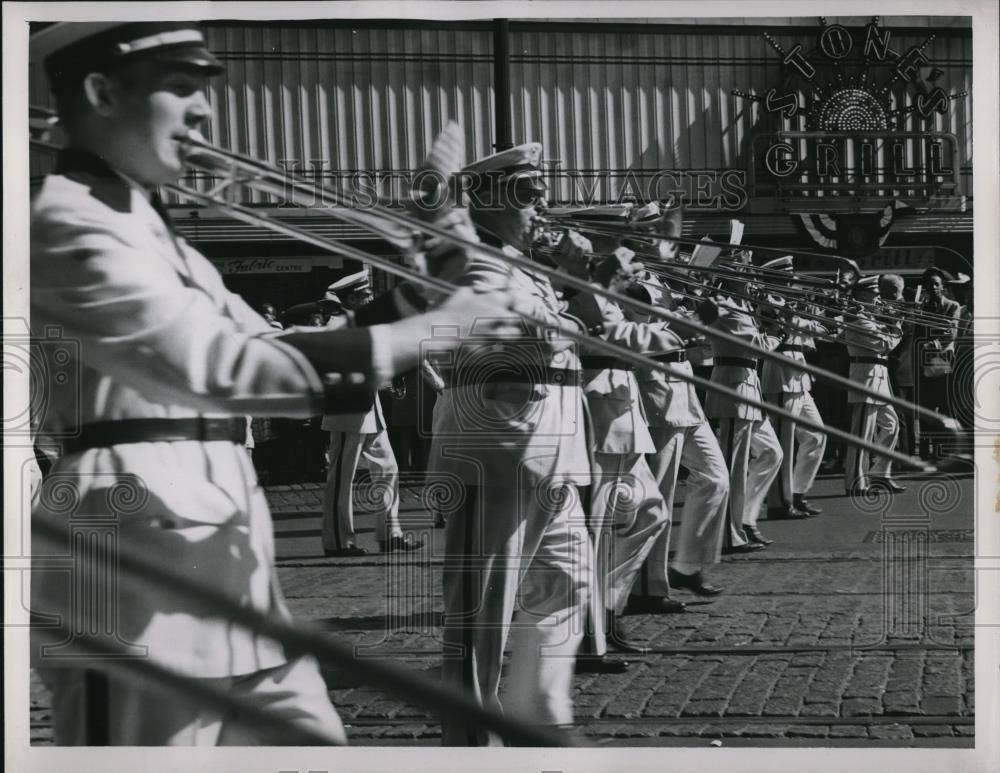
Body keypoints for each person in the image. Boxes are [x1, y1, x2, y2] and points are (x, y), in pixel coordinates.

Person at [29, 21, 519, 746]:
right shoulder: (64, 222)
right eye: (183, 87)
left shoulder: (158, 233)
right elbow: (216, 368)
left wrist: (425, 290)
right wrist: (429, 332)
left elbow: (267, 343)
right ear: (100, 93)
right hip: (132, 572)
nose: (205, 113)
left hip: (227, 560)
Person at [428, 143, 593, 745]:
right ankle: (473, 747)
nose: (542, 202)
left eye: (540, 189)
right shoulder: (467, 258)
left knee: (567, 586)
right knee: (481, 619)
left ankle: (538, 720)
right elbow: (528, 333)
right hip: (497, 450)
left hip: (555, 448)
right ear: (489, 200)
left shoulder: (524, 266)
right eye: (528, 192)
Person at [320, 271, 423, 555]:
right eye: (366, 295)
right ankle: (338, 541)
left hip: (368, 409)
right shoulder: (338, 325)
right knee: (342, 478)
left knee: (388, 469)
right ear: (352, 298)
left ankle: (390, 534)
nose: (371, 298)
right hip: (347, 409)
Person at [697, 271, 783, 550]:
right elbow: (757, 346)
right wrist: (777, 331)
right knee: (734, 467)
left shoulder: (742, 305)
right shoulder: (726, 305)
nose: (753, 281)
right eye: (746, 275)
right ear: (732, 276)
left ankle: (744, 519)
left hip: (748, 388)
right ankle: (726, 534)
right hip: (733, 390)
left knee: (772, 454)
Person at [759, 257, 830, 519]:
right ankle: (779, 502)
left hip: (799, 376)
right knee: (783, 443)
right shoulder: (767, 301)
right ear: (774, 280)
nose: (792, 283)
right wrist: (797, 309)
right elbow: (776, 325)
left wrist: (817, 309)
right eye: (786, 279)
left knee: (816, 435)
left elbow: (819, 331)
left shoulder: (792, 303)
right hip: (779, 375)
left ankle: (798, 492)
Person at [842, 276, 904, 494]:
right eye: (875, 296)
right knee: (862, 434)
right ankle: (855, 483)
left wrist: (890, 322)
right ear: (862, 296)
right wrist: (897, 327)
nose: (879, 300)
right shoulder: (858, 319)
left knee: (891, 425)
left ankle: (880, 474)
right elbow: (883, 344)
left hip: (878, 377)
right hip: (865, 377)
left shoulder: (871, 318)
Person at [913, 267, 961, 460]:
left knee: (945, 407)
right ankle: (925, 450)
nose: (933, 287)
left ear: (942, 287)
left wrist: (932, 343)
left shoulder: (952, 306)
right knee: (926, 408)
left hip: (945, 363)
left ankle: (944, 450)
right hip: (924, 364)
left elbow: (951, 332)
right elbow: (916, 334)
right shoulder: (922, 307)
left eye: (936, 284)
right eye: (929, 284)